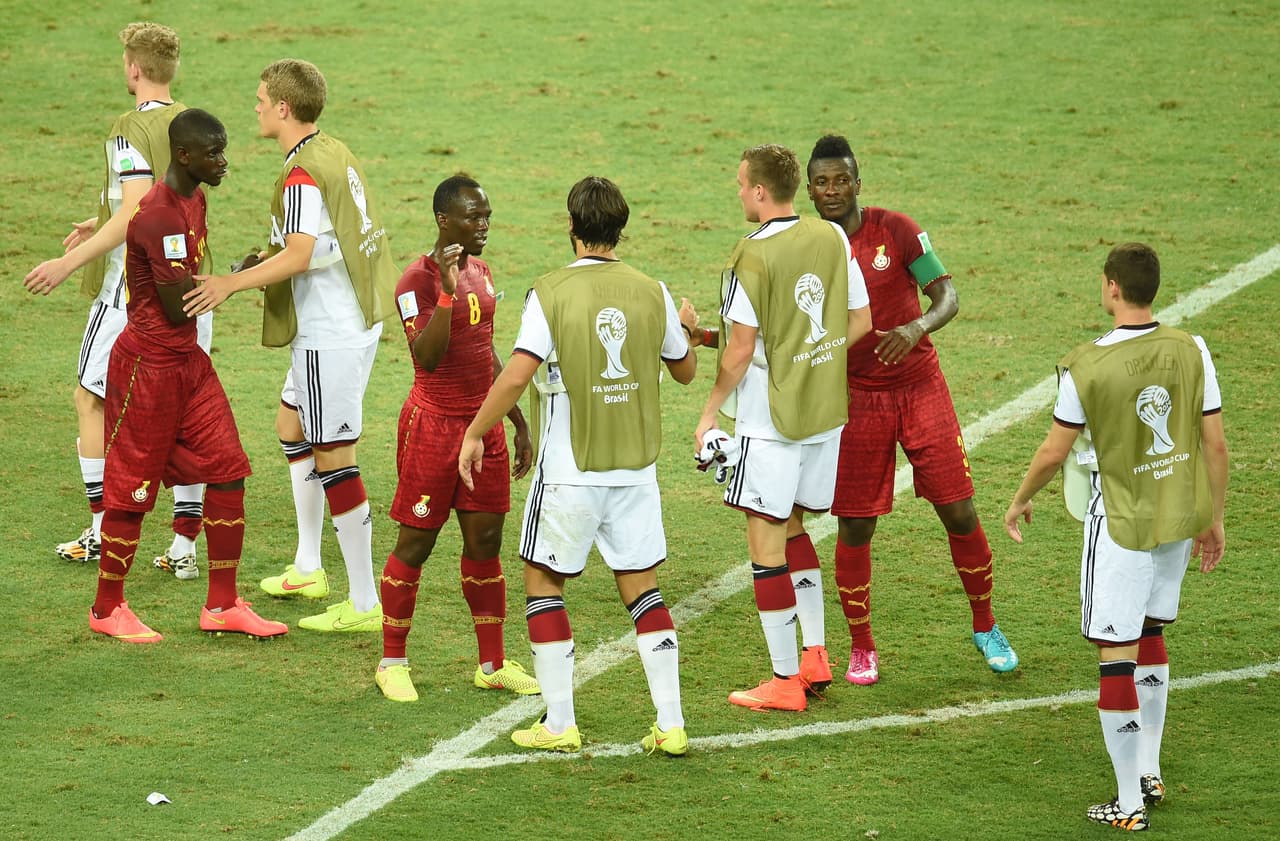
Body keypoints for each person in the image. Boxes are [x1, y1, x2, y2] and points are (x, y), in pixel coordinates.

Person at [459, 176, 696, 755]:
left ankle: (560, 723)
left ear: (572, 228)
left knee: (543, 581)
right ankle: (671, 725)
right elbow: (686, 371)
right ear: (621, 228)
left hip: (569, 469)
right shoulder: (652, 291)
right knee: (644, 590)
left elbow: (516, 374)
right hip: (635, 468)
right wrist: (684, 328)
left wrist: (474, 430)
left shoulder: (550, 292)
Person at [1003, 242, 1228, 831]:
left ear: (1110, 287)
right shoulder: (1193, 348)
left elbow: (1056, 450)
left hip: (1122, 522)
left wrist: (1021, 498)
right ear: (1152, 287)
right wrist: (1215, 517)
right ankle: (1150, 770)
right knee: (1151, 632)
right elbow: (1216, 444)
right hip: (1179, 516)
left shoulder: (1088, 364)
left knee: (1114, 653)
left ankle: (1129, 805)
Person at [184, 59, 399, 632]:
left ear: (284, 108)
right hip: (343, 317)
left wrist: (230, 282)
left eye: (260, 99)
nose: (254, 106)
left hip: (333, 331)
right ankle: (309, 564)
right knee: (291, 426)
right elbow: (330, 240)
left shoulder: (303, 174)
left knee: (335, 454)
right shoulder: (333, 151)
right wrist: (267, 259)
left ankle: (362, 601)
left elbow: (302, 254)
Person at [798, 134, 1017, 684]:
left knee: (959, 510)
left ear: (857, 182)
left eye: (840, 180)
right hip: (856, 399)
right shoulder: (806, 248)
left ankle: (986, 626)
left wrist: (917, 325)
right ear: (808, 188)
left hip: (921, 387)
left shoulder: (896, 229)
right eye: (821, 182)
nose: (831, 191)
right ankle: (862, 647)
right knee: (855, 525)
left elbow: (948, 295)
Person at [88, 108, 287, 642]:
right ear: (183, 155)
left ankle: (222, 605)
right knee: (130, 492)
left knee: (228, 470)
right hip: (147, 369)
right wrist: (238, 281)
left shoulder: (195, 198)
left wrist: (234, 275)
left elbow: (189, 285)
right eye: (214, 153)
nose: (224, 162)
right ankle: (107, 609)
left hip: (188, 365)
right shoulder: (157, 215)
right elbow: (178, 309)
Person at [23, 22, 212, 581]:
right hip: (193, 289)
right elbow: (157, 203)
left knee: (89, 398)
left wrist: (66, 263)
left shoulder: (128, 126)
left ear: (133, 68)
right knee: (186, 413)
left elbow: (135, 211)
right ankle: (183, 544)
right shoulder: (191, 125)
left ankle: (105, 528)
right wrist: (99, 221)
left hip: (133, 293)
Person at [694, 144, 871, 713]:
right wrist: (810, 359)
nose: (739, 192)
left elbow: (742, 348)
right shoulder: (832, 236)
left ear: (761, 192)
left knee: (765, 544)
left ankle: (783, 681)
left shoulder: (751, 255)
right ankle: (816, 657)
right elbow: (861, 319)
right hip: (825, 418)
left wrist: (710, 410)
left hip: (771, 424)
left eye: (742, 184)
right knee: (795, 529)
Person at [375, 175, 537, 702]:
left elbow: (481, 349)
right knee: (416, 543)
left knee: (485, 543)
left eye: (486, 215)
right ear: (444, 220)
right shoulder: (414, 283)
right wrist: (445, 290)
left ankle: (491, 663)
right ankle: (392, 662)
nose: (483, 225)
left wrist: (512, 419)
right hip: (433, 428)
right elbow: (427, 355)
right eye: (473, 217)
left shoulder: (483, 272)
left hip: (480, 426)